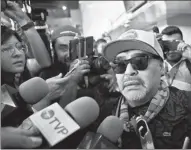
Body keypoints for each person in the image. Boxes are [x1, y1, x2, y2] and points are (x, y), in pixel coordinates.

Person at [99, 29, 191, 149]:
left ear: (162, 67)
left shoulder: (187, 105)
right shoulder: (104, 113)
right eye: (120, 64)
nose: (129, 72)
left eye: (139, 61)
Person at [161, 26, 191, 91]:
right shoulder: (157, 65)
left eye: (175, 43)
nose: (171, 50)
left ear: (182, 43)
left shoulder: (189, 63)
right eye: (167, 44)